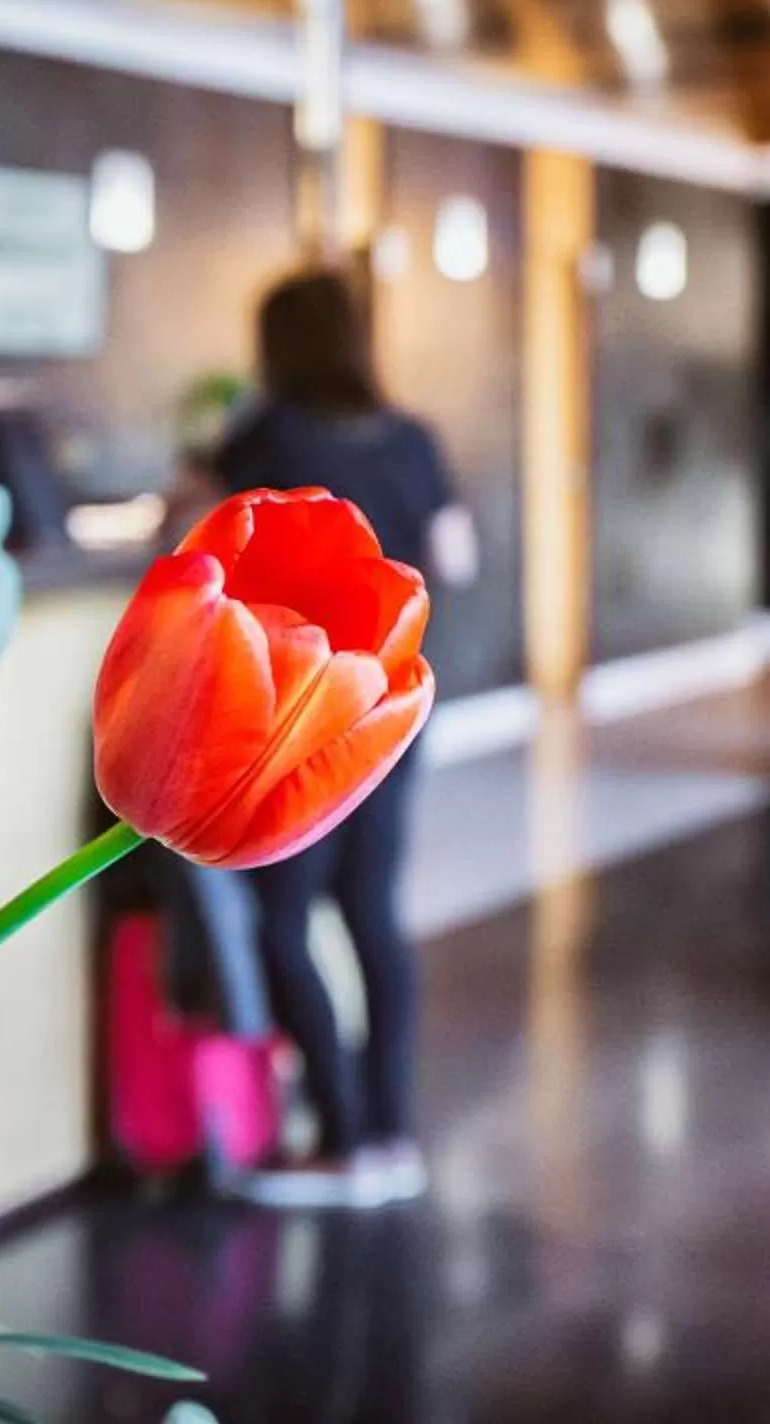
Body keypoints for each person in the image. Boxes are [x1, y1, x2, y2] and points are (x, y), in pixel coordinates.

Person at [214, 269, 476, 1207]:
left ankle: (339, 1132)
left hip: (295, 713)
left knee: (282, 920)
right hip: (389, 702)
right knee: (371, 912)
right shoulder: (414, 440)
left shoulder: (265, 438)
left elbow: (200, 552)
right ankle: (391, 1136)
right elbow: (456, 559)